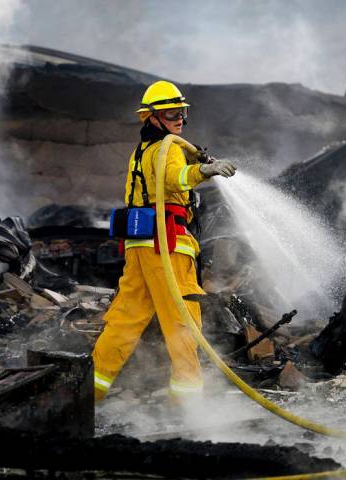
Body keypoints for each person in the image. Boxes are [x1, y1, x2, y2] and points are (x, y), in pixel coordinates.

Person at [92, 80, 236, 403]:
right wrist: (205, 170)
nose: (180, 119)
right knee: (183, 321)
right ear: (152, 117)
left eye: (182, 111)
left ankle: (89, 390)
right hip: (168, 248)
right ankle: (188, 402)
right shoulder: (169, 149)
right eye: (172, 112)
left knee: (125, 320)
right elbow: (175, 178)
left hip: (139, 248)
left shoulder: (141, 152)